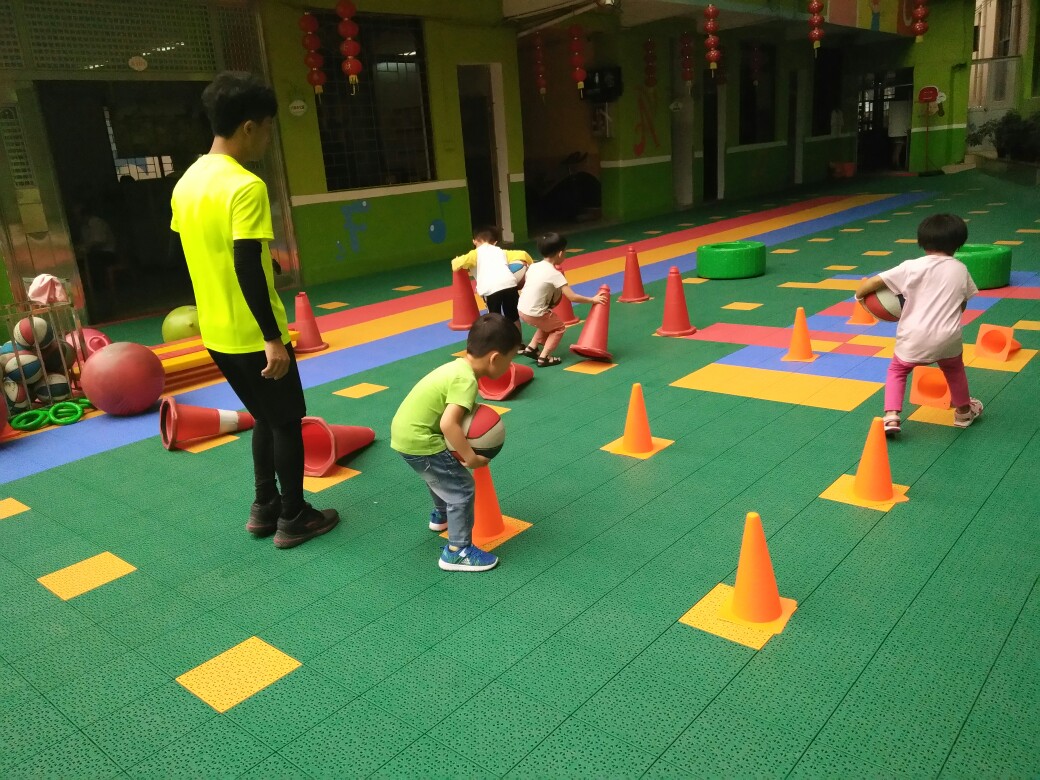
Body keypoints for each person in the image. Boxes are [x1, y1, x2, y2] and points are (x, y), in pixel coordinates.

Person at [170, 71, 338, 549]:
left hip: (215, 330)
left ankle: (265, 506)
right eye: (267, 127)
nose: (268, 137)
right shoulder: (245, 186)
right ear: (249, 126)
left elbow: (201, 253)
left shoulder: (187, 183)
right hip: (253, 332)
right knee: (286, 421)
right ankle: (294, 516)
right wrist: (271, 337)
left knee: (265, 416)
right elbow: (244, 263)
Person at [390, 313, 521, 572]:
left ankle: (442, 515)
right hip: (421, 439)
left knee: (440, 475)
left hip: (405, 433)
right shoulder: (467, 381)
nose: (509, 366)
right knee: (461, 488)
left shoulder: (457, 368)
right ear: (495, 358)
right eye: (510, 360)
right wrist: (471, 458)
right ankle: (457, 551)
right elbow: (448, 424)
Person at [855, 213, 983, 437]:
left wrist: (859, 296)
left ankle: (891, 416)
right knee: (954, 370)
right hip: (947, 336)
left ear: (922, 242)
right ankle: (963, 412)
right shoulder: (960, 269)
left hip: (913, 336)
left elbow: (875, 281)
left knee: (898, 370)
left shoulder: (911, 267)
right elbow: (962, 304)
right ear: (958, 244)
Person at [517, 231, 607, 367]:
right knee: (559, 328)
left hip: (522, 309)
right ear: (560, 253)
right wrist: (593, 300)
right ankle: (544, 357)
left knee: (548, 323)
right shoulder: (555, 274)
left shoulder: (533, 266)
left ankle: (532, 348)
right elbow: (572, 296)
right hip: (535, 313)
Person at [451, 226, 532, 333]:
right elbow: (523, 254)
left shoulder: (474, 254)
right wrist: (531, 264)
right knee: (513, 316)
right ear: (495, 242)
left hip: (491, 289)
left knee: (494, 319)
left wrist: (455, 260)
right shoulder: (501, 251)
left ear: (474, 241)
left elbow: (456, 264)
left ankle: (498, 341)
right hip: (510, 284)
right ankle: (518, 341)